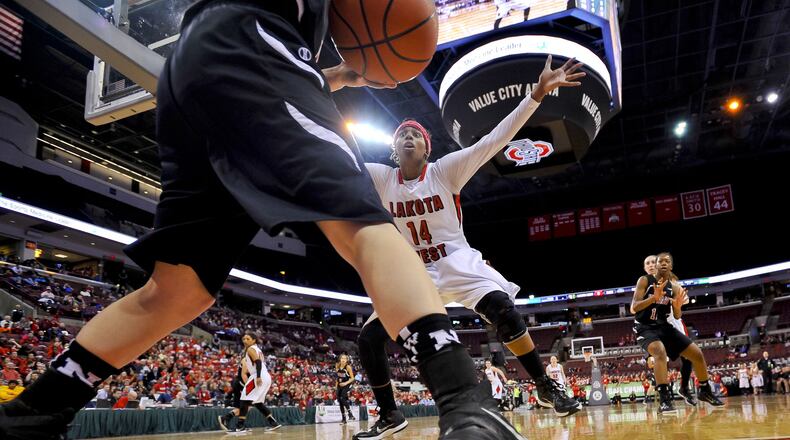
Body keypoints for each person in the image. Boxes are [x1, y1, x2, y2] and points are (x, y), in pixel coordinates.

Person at [0, 2, 528, 439]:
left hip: (194, 69)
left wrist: (333, 74)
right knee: (362, 219)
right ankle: (465, 401)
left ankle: (36, 411)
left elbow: (256, 76)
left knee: (179, 288)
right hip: (253, 36)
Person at [353, 55, 584, 440]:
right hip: (414, 272)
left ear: (426, 149)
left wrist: (537, 95)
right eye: (401, 135)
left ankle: (545, 385)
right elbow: (339, 157)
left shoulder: (445, 171)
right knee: (368, 338)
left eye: (415, 134)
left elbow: (496, 139)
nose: (407, 137)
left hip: (455, 261)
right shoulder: (381, 178)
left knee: (504, 311)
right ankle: (390, 415)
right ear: (394, 149)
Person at [630, 252, 723, 413]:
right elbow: (635, 307)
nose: (662, 264)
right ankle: (665, 399)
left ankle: (705, 390)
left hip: (664, 326)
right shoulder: (644, 280)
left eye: (667, 261)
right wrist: (653, 298)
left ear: (671, 266)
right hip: (645, 327)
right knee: (659, 351)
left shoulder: (673, 287)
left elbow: (677, 315)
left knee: (697, 354)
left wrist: (678, 306)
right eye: (659, 261)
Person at [643, 255, 696, 406]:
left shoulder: (671, 282)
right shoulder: (643, 285)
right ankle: (664, 398)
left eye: (654, 262)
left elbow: (682, 301)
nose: (652, 265)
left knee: (688, 357)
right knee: (659, 361)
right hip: (654, 326)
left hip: (673, 322)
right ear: (645, 268)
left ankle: (684, 387)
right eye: (648, 263)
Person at [234, 332, 280, 433]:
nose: (245, 340)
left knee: (244, 399)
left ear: (254, 340)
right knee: (258, 402)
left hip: (258, 376)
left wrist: (258, 376)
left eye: (248, 339)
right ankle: (273, 422)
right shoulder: (257, 349)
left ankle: (240, 426)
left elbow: (258, 362)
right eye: (244, 339)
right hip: (265, 376)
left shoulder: (251, 349)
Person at [336, 354, 356, 424]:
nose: (343, 360)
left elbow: (353, 378)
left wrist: (345, 383)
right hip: (340, 385)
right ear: (340, 359)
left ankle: (350, 414)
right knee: (340, 402)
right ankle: (344, 419)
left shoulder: (348, 367)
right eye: (342, 358)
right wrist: (336, 387)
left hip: (347, 384)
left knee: (342, 398)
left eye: (345, 358)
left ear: (347, 360)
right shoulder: (337, 366)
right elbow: (337, 377)